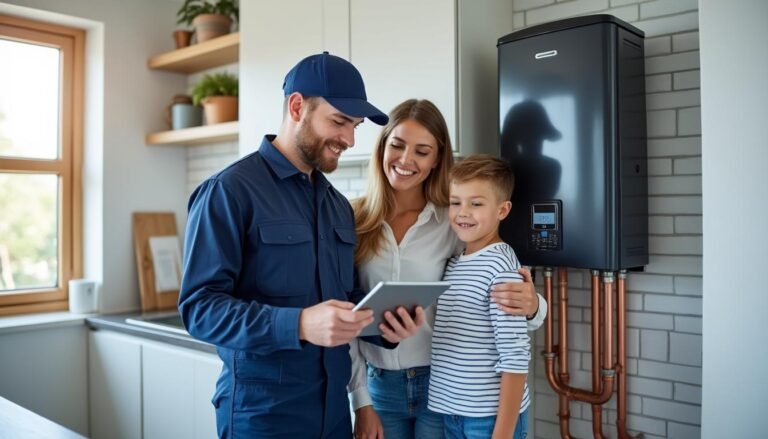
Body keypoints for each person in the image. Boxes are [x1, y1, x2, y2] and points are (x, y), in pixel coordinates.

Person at [178, 52, 425, 439]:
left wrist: (384, 326)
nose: (349, 139)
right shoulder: (229, 191)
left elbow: (341, 298)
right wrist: (299, 324)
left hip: (333, 414)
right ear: (297, 107)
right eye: (339, 121)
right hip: (263, 417)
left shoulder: (337, 206)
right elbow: (200, 309)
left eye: (355, 126)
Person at [348, 100, 547, 439]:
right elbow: (345, 311)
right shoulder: (354, 220)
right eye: (397, 145)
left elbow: (496, 290)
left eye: (422, 151)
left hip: (441, 387)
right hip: (379, 385)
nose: (406, 159)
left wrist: (534, 306)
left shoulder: (453, 220)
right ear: (382, 146)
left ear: (437, 158)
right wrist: (360, 401)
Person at [428, 155, 531, 439]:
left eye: (476, 204)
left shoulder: (501, 268)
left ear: (502, 210)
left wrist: (502, 434)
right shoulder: (456, 262)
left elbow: (515, 357)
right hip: (454, 414)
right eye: (455, 202)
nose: (463, 212)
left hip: (488, 420)